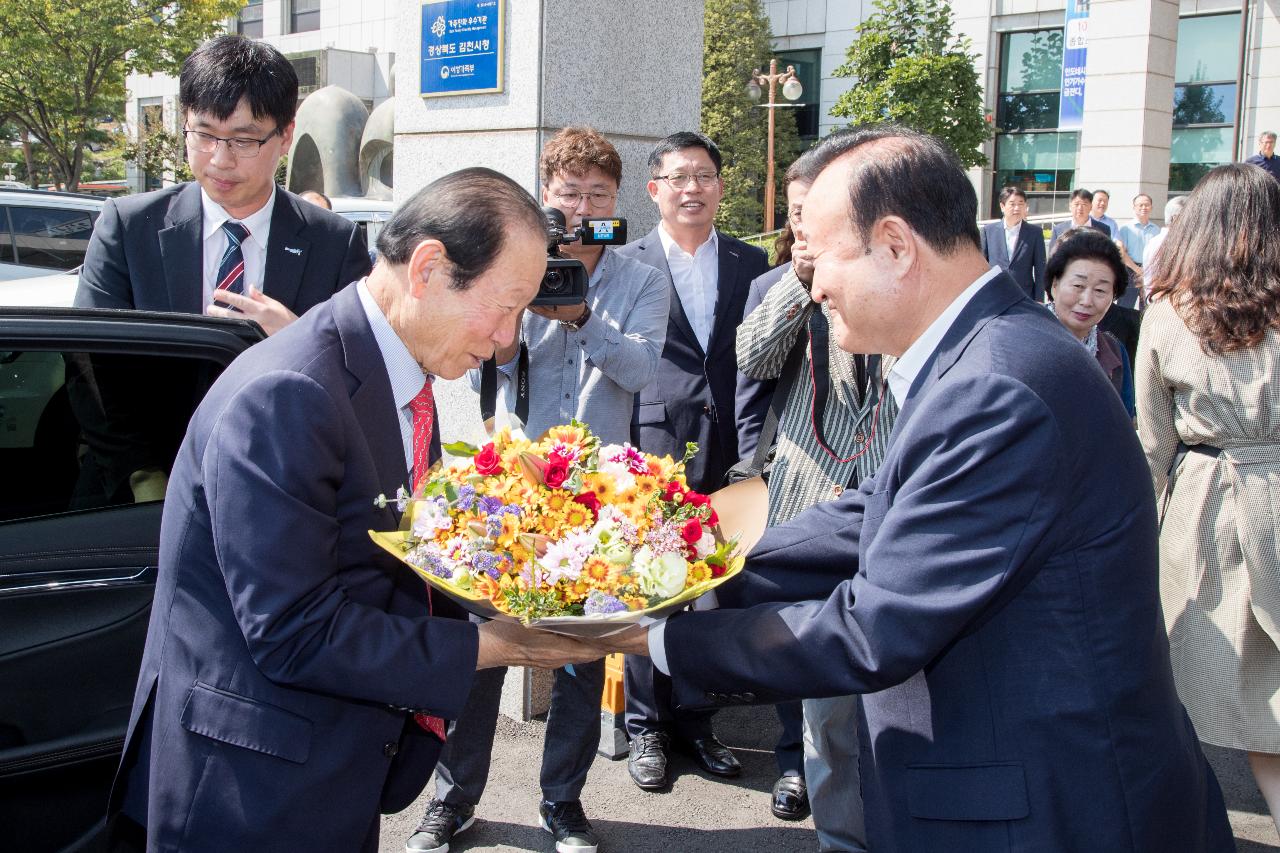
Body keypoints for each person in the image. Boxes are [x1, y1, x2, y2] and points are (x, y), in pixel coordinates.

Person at [601, 124, 1234, 852]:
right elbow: (873, 513)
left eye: (823, 254)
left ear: (897, 246)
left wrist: (651, 634)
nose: (815, 280)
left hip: (1046, 813)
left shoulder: (999, 386)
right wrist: (681, 567)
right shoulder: (983, 352)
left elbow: (872, 629)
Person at [105, 168, 596, 852]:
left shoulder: (391, 367)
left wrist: (507, 515)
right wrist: (502, 646)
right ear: (428, 267)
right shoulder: (290, 391)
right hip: (252, 790)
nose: (509, 337)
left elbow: (373, 533)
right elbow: (294, 630)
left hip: (333, 766)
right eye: (506, 305)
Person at [405, 126, 670, 853]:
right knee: (481, 652)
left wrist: (583, 317)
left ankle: (563, 801)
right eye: (568, 193)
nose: (583, 207)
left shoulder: (643, 277)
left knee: (583, 658)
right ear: (544, 197)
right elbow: (488, 348)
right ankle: (450, 800)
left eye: (597, 194)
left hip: (595, 498)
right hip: (510, 491)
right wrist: (531, 285)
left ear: (617, 201)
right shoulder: (517, 264)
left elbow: (644, 370)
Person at [735, 146, 898, 851]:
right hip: (808, 493)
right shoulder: (782, 285)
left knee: (896, 683)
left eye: (818, 213)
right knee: (818, 683)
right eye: (796, 213)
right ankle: (835, 826)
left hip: (888, 489)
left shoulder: (894, 282)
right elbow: (752, 359)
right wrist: (802, 283)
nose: (805, 226)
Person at [617, 130, 769, 792]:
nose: (692, 189)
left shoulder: (751, 262)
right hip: (654, 440)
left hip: (733, 443)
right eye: (678, 178)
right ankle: (646, 725)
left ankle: (698, 720)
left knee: (715, 586)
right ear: (655, 189)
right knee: (654, 587)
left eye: (704, 176)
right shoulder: (626, 264)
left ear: (720, 186)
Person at [1137, 162, 1280, 836]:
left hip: (1206, 505)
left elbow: (1152, 446)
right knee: (1271, 703)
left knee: (1185, 687)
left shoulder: (1169, 315)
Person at [76, 35, 371, 336]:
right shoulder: (129, 229)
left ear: (285, 136)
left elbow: (364, 368)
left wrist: (299, 338)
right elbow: (87, 357)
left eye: (243, 141)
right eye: (204, 135)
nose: (220, 160)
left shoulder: (335, 245)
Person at [1044, 228, 1135, 418]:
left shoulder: (1114, 352)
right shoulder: (1021, 339)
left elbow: (1122, 424)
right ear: (1054, 285)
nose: (1087, 300)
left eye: (1100, 290)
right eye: (1078, 286)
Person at [980, 186, 1046, 302]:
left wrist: (1039, 300)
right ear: (1002, 206)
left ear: (1025, 206)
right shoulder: (988, 231)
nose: (1017, 208)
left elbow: (1040, 269)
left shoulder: (1034, 233)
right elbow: (981, 266)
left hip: (1024, 296)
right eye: (1012, 204)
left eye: (1021, 204)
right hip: (994, 294)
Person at [1142, 194, 1185, 301]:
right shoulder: (1161, 243)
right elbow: (1156, 281)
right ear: (1175, 218)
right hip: (1163, 304)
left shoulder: (1170, 242)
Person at [1117, 193, 1161, 298]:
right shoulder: (1125, 228)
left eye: (1146, 205)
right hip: (1129, 270)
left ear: (1151, 207)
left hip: (1150, 271)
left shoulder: (1156, 230)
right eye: (1140, 205)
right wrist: (1137, 269)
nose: (1143, 207)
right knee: (1126, 304)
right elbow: (1122, 253)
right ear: (1134, 207)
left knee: (1146, 305)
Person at [1048, 187, 1110, 255]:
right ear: (1070, 206)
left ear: (1091, 207)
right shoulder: (1058, 229)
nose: (1080, 208)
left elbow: (1107, 257)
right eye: (1076, 204)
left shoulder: (1103, 229)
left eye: (1084, 204)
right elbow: (1052, 257)